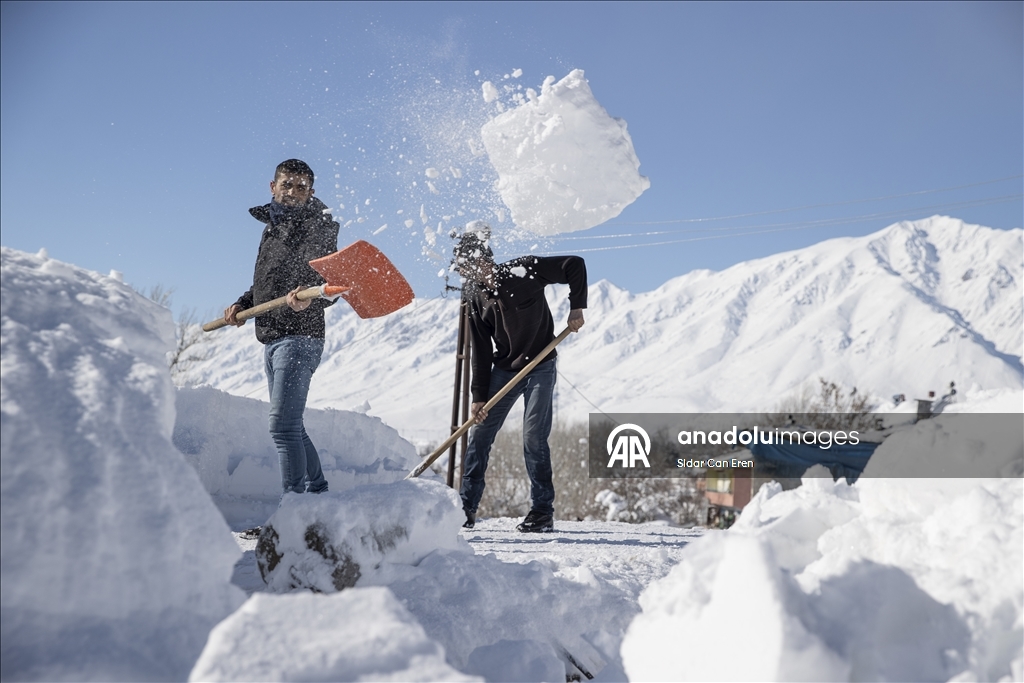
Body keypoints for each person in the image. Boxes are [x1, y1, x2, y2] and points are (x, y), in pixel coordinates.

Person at [453, 223, 587, 533]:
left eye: (471, 264)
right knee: (481, 434)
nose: (470, 272)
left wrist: (576, 307)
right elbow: (481, 351)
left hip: (541, 364)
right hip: (504, 369)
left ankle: (542, 511)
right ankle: (465, 508)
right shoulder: (474, 298)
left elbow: (574, 265)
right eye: (464, 268)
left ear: (484, 259)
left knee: (533, 437)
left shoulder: (523, 270)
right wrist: (479, 397)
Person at [223, 159, 339, 495]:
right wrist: (244, 305)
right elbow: (266, 282)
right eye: (286, 184)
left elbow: (328, 281)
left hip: (301, 336)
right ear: (273, 187)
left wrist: (310, 296)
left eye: (301, 187)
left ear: (310, 193)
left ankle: (293, 510)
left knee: (282, 427)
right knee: (293, 427)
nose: (292, 192)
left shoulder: (321, 225)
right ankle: (317, 494)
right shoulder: (271, 228)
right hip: (273, 335)